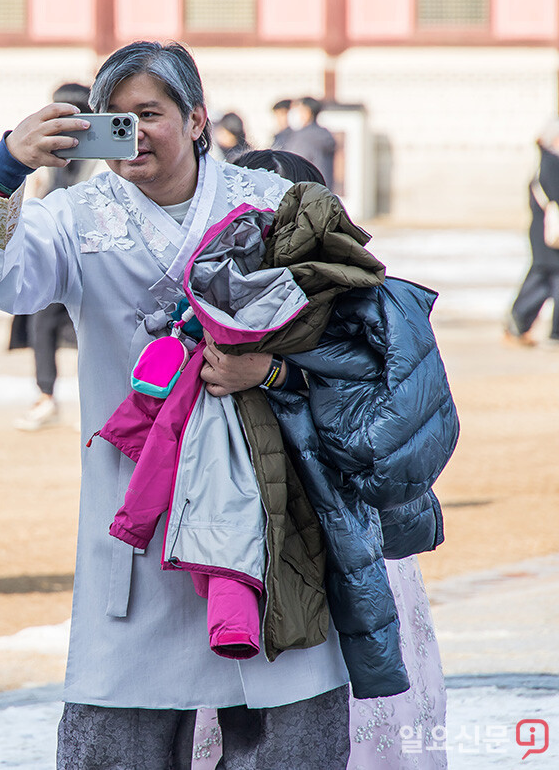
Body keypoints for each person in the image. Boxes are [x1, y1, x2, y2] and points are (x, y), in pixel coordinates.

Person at [0, 41, 356, 769]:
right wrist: (8, 165)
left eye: (149, 114)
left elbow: (351, 342)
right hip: (138, 515)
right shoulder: (75, 216)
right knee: (120, 738)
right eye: (112, 119)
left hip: (268, 513)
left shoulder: (267, 208)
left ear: (197, 119)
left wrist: (269, 368)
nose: (131, 133)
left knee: (290, 732)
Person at [172, 147, 446, 770]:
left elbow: (387, 427)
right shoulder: (218, 303)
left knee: (364, 713)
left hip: (354, 535)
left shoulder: (365, 304)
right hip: (258, 535)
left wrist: (274, 374)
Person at [9, 82, 91, 431]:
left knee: (98, 327)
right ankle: (46, 397)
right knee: (41, 322)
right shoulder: (51, 152)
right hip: (55, 249)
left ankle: (97, 403)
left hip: (93, 252)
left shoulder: (102, 154)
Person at [506, 118, 559, 348]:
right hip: (549, 233)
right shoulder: (551, 162)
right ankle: (518, 324)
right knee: (543, 276)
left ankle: (518, 325)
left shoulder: (545, 160)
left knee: (546, 277)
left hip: (544, 231)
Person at [273, 96, 337, 190]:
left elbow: (290, 167)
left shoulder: (303, 138)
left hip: (306, 194)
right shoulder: (321, 134)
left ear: (306, 113)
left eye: (296, 110)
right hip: (321, 191)